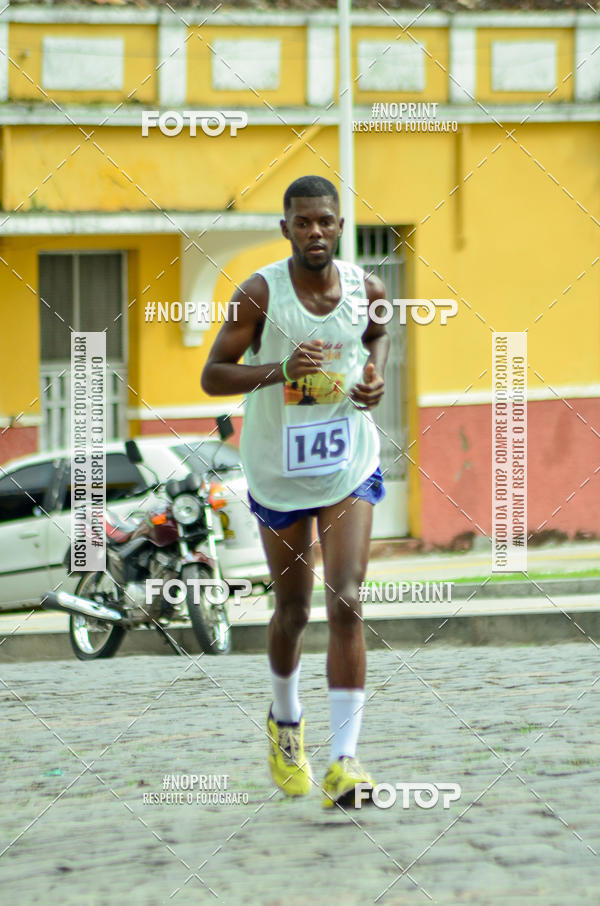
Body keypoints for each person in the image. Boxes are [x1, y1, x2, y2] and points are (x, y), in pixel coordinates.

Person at [201, 174, 390, 808]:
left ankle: (345, 761)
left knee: (347, 599)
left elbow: (378, 335)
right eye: (303, 222)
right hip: (279, 471)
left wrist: (375, 375)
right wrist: (280, 370)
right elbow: (212, 375)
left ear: (341, 227)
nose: (315, 231)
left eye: (326, 222)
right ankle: (286, 722)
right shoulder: (259, 293)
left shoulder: (368, 288)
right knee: (293, 611)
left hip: (346, 463)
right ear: (286, 229)